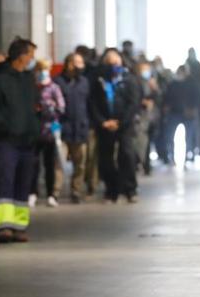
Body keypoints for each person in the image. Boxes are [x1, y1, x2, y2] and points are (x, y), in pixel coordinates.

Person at [0, 38, 40, 243]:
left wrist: (35, 128)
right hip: (7, 141)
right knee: (5, 182)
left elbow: (34, 107)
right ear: (21, 56)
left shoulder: (28, 79)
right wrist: (6, 126)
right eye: (30, 55)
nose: (32, 59)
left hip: (27, 141)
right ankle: (4, 227)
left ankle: (19, 226)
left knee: (23, 185)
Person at [90, 49, 142, 203]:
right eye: (109, 63)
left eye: (116, 63)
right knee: (105, 159)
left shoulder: (129, 80)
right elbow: (93, 103)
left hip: (124, 125)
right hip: (105, 124)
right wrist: (103, 122)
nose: (113, 66)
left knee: (127, 155)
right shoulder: (99, 81)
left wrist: (120, 122)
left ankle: (130, 189)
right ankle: (111, 190)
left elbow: (133, 104)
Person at [54, 52, 92, 203]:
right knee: (59, 162)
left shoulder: (84, 82)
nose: (79, 66)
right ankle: (55, 191)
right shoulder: (58, 81)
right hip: (63, 128)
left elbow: (89, 103)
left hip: (80, 128)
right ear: (69, 63)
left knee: (80, 163)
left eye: (81, 63)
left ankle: (76, 190)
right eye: (76, 62)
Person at [34, 60, 65, 207]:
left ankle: (51, 194)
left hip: (49, 132)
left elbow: (61, 108)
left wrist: (47, 106)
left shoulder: (54, 88)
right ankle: (32, 192)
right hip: (34, 132)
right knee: (34, 164)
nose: (42, 72)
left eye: (45, 69)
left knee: (50, 164)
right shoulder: (33, 88)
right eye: (40, 69)